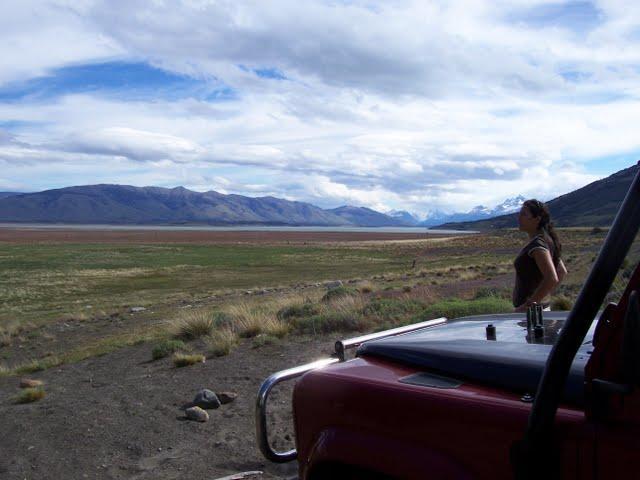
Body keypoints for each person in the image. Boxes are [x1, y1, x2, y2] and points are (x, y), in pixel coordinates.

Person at [513, 199, 567, 312]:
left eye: (524, 214)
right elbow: (561, 271)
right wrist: (544, 295)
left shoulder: (538, 245)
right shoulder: (548, 241)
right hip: (541, 308)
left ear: (537, 219)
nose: (519, 218)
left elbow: (552, 278)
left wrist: (527, 305)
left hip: (532, 313)